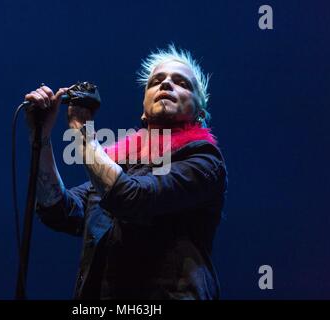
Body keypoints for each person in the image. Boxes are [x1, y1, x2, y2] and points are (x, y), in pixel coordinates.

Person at [24, 44, 227, 300]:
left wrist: (81, 131)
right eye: (156, 81)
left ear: (200, 113)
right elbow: (58, 209)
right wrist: (40, 138)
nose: (166, 84)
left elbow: (131, 198)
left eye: (181, 83)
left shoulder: (202, 160)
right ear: (143, 110)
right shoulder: (119, 165)